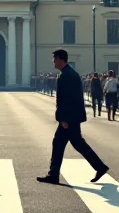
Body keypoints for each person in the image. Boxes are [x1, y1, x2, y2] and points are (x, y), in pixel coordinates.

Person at [37, 49, 109, 185]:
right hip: (72, 116)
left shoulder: (66, 76)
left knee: (62, 143)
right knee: (74, 143)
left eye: (54, 59)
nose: (53, 62)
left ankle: (54, 175)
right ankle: (99, 167)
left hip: (69, 118)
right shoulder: (69, 73)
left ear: (60, 59)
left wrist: (63, 119)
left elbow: (68, 99)